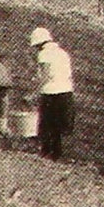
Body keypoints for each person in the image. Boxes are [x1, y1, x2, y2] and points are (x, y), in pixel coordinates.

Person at [30, 26, 74, 159]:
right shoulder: (63, 53)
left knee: (46, 123)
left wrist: (34, 93)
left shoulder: (44, 54)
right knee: (57, 125)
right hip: (66, 90)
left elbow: (45, 75)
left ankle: (46, 151)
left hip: (50, 92)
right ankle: (56, 152)